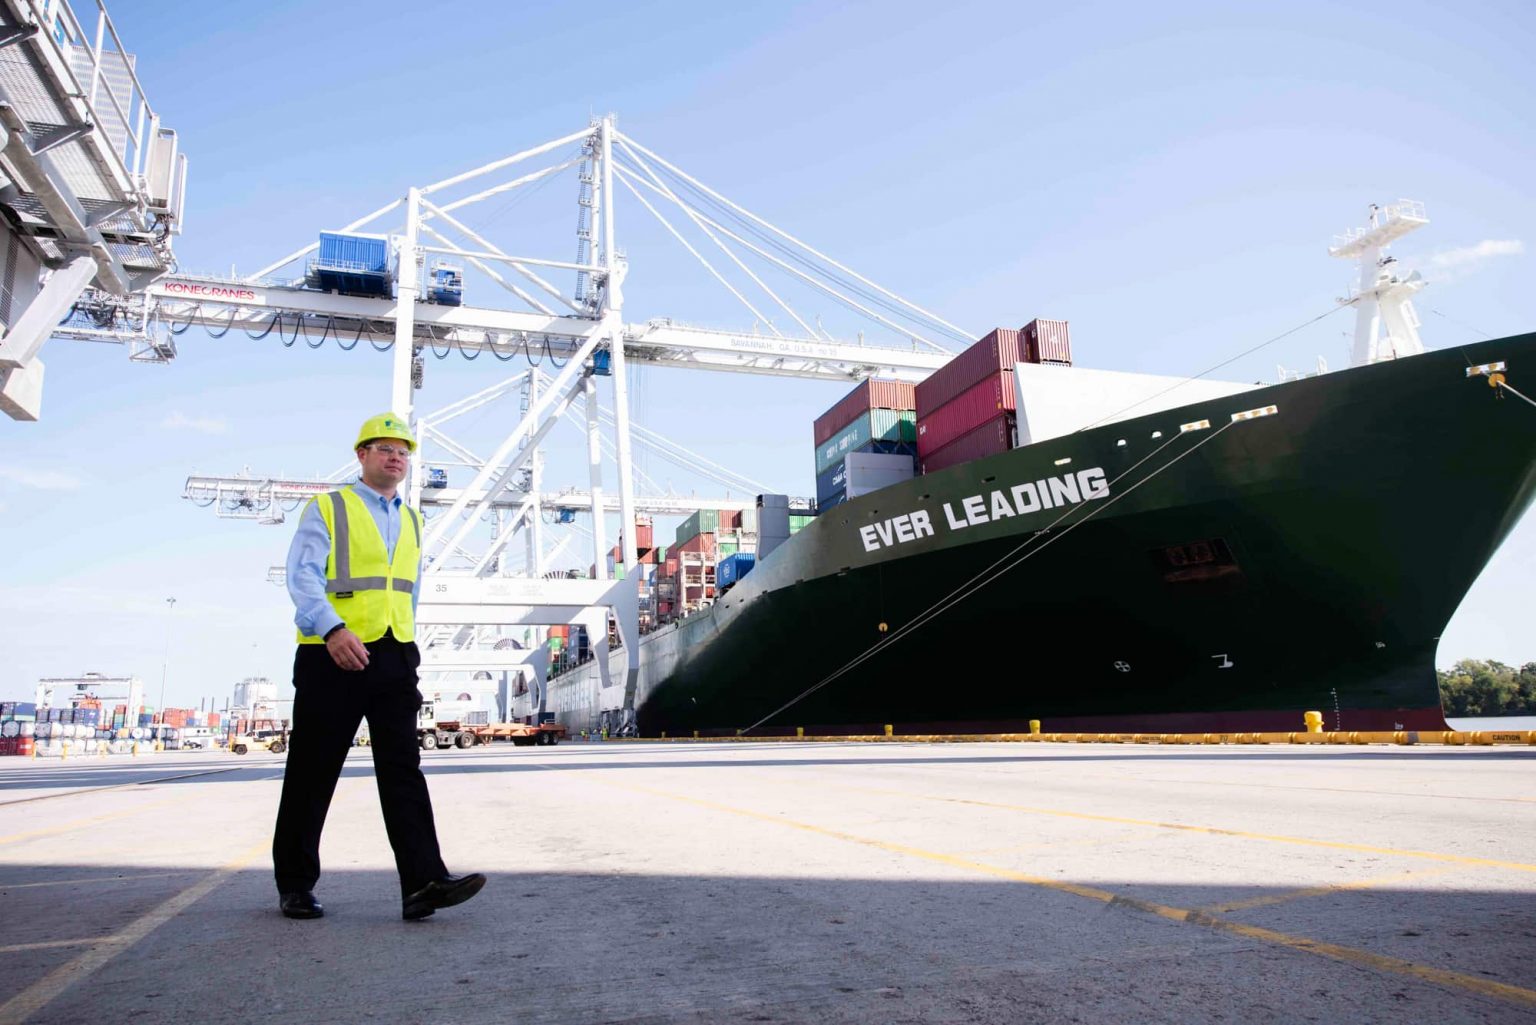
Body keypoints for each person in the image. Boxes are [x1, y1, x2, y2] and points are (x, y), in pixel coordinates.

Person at [272, 412, 485, 921]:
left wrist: (407, 648)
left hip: (393, 655)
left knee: (402, 769)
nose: (397, 457)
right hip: (333, 653)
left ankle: (423, 881)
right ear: (361, 455)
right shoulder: (329, 507)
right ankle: (295, 884)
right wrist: (331, 629)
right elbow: (301, 577)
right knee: (313, 771)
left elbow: (400, 593)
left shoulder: (412, 519)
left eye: (404, 451)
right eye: (385, 448)